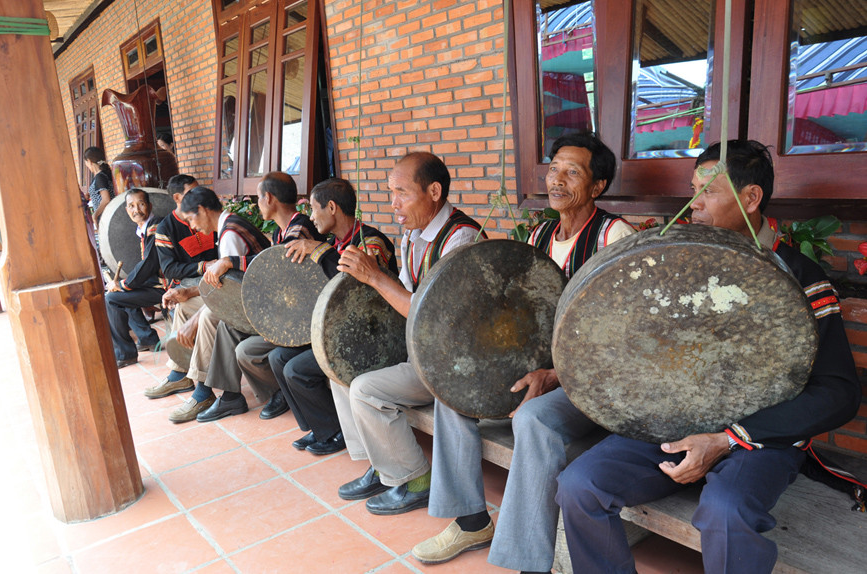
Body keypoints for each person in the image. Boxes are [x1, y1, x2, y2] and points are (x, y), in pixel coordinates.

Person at [555, 140, 861, 574]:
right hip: (670, 425)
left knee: (726, 511)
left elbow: (839, 394)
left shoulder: (799, 278)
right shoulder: (675, 264)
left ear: (751, 198)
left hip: (758, 440)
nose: (693, 204)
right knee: (579, 485)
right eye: (692, 189)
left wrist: (726, 438)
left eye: (707, 191)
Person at [412, 132, 635, 569]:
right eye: (554, 168)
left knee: (533, 418)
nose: (557, 179)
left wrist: (555, 374)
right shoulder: (539, 235)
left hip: (592, 384)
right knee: (451, 390)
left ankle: (528, 560)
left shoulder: (614, 236)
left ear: (597, 186)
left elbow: (625, 336)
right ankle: (472, 520)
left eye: (573, 172)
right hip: (537, 373)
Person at [331, 152, 484, 515]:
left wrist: (375, 276)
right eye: (390, 192)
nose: (394, 203)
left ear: (434, 191)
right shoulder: (412, 235)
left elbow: (436, 317)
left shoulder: (461, 237)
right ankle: (381, 462)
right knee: (340, 366)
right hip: (422, 350)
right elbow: (399, 297)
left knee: (366, 389)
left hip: (455, 361)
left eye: (402, 193)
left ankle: (414, 480)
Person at [267, 177, 398, 454]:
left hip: (370, 334)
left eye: (314, 209)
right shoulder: (332, 241)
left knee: (297, 369)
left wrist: (321, 252)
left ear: (332, 207)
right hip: (338, 330)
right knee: (278, 357)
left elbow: (359, 292)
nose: (311, 217)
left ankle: (336, 431)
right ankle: (319, 427)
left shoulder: (370, 242)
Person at [195, 172, 321, 422]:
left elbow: (275, 266)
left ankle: (280, 391)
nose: (256, 204)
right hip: (283, 311)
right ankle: (231, 397)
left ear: (270, 198)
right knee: (228, 324)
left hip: (298, 319)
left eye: (258, 198)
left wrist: (229, 261)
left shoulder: (300, 227)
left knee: (246, 351)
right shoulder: (281, 231)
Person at [165, 186, 270, 423]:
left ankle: (204, 390)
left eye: (191, 219)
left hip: (259, 305)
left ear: (202, 210)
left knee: (206, 318)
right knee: (185, 305)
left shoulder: (230, 234)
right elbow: (223, 288)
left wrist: (194, 322)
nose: (192, 227)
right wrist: (189, 291)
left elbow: (229, 297)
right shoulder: (226, 227)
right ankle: (181, 371)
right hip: (241, 296)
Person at [143, 174, 217, 399]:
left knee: (188, 308)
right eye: (190, 192)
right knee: (182, 302)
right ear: (177, 197)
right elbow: (171, 269)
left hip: (217, 278)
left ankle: (183, 376)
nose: (197, 195)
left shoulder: (210, 218)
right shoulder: (166, 227)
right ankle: (181, 375)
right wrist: (205, 266)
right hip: (191, 280)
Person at [104, 188, 164, 368]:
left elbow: (149, 264)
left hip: (167, 285)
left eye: (141, 204)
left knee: (113, 299)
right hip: (156, 282)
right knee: (125, 293)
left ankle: (125, 353)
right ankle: (147, 338)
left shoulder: (156, 227)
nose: (136, 209)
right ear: (126, 210)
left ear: (150, 205)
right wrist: (125, 285)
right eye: (131, 206)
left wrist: (122, 284)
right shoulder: (145, 228)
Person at [83, 146, 114, 228]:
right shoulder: (103, 174)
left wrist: (95, 215)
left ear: (89, 161)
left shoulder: (100, 177)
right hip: (110, 217)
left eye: (86, 163)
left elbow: (106, 199)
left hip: (107, 218)